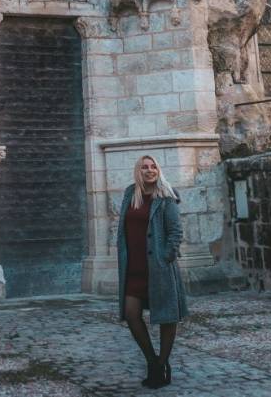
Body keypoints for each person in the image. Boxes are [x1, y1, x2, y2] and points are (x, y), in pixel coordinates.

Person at [117, 155, 187, 388]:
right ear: (138, 171)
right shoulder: (130, 194)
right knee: (130, 314)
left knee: (167, 317)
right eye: (145, 167)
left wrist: (165, 257)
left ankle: (162, 363)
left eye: (153, 166)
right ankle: (152, 361)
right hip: (134, 268)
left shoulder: (166, 196)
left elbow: (176, 232)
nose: (150, 170)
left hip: (159, 268)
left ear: (158, 170)